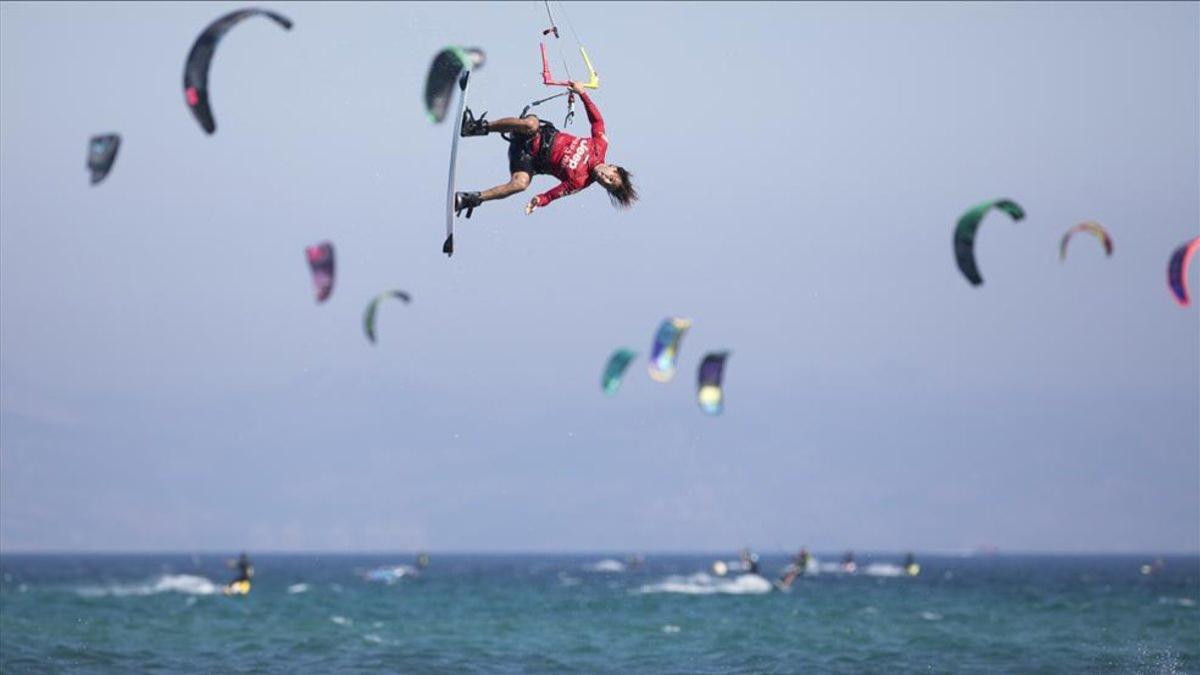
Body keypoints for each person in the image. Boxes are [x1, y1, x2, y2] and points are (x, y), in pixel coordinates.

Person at [454, 81, 637, 217]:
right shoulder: (600, 145)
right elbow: (597, 121)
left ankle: (471, 199)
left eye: (607, 184)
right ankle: (475, 128)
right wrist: (582, 94)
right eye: (611, 178)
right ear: (613, 167)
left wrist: (539, 201)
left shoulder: (579, 182)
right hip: (534, 133)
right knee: (531, 124)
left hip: (528, 159)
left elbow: (552, 195)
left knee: (521, 184)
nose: (604, 179)